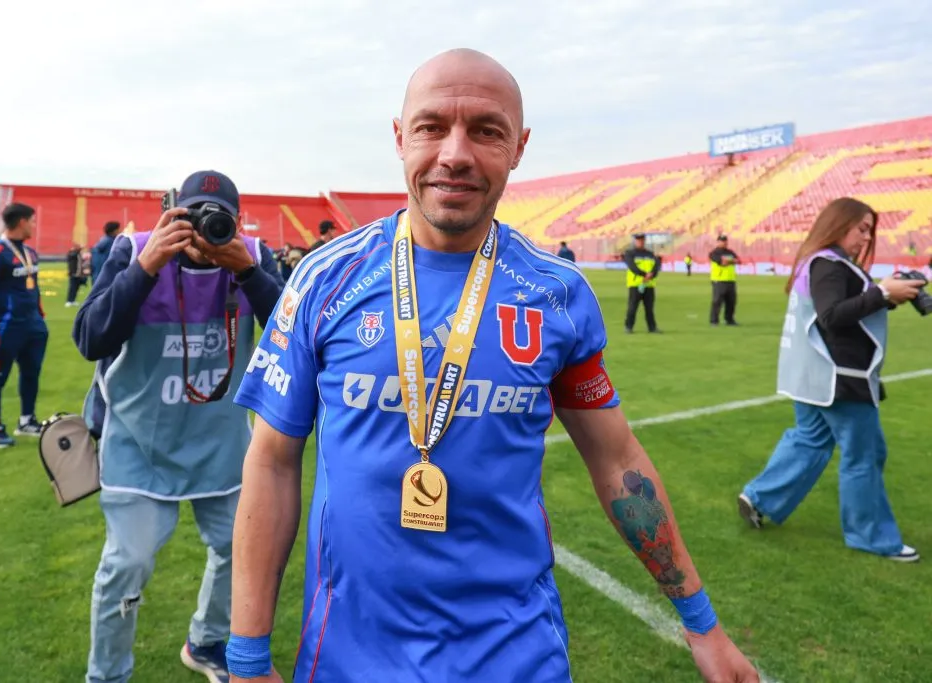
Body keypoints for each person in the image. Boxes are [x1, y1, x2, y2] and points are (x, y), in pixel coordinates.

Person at [224, 48, 759, 683]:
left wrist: (701, 622)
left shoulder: (556, 295)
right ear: (400, 138)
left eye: (486, 130)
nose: (455, 153)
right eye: (431, 127)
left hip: (517, 657)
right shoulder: (325, 278)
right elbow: (271, 460)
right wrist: (247, 656)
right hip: (350, 657)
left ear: (519, 146)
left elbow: (616, 460)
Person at [72, 170, 284, 683]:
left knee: (240, 552)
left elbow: (294, 334)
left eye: (219, 221)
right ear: (173, 214)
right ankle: (107, 676)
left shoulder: (251, 254)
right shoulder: (135, 250)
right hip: (140, 443)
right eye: (192, 217)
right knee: (126, 567)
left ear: (236, 222)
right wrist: (146, 267)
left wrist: (249, 272)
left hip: (223, 445)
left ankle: (207, 641)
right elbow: (90, 338)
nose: (204, 230)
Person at [738, 197, 922, 562]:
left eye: (870, 232)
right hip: (838, 378)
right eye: (862, 229)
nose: (865, 239)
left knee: (810, 440)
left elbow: (838, 312)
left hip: (810, 377)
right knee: (864, 454)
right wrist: (884, 294)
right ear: (839, 225)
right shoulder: (830, 264)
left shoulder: (818, 262)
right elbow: (833, 316)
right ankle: (871, 536)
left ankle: (759, 497)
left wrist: (885, 296)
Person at [0, 204, 48, 448]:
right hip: (6, 329)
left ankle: (27, 420)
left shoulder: (31, 253)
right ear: (22, 222)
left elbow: (32, 288)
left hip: (33, 327)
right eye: (32, 221)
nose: (34, 226)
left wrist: (40, 315)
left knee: (31, 374)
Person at [623, 232, 662, 333]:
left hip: (649, 284)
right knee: (632, 307)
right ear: (636, 241)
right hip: (636, 284)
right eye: (639, 240)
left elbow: (656, 266)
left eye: (642, 240)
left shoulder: (650, 254)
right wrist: (644, 274)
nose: (641, 242)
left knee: (649, 308)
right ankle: (629, 327)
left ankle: (652, 327)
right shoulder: (630, 253)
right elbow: (632, 267)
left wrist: (652, 274)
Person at [709, 235, 740, 325]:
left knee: (731, 301)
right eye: (722, 241)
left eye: (725, 241)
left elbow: (738, 260)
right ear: (718, 242)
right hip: (719, 280)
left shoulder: (730, 251)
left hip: (730, 279)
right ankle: (714, 320)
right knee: (717, 301)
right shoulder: (714, 253)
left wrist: (728, 260)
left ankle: (729, 319)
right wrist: (731, 260)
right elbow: (722, 263)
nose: (724, 242)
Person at [90, 220, 121, 285]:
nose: (120, 231)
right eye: (119, 229)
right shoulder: (111, 242)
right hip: (105, 277)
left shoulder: (101, 241)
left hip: (97, 276)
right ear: (114, 231)